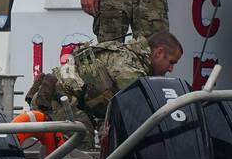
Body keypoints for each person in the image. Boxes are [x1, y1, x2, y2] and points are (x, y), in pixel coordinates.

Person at [26, 30, 183, 131]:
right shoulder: (129, 68)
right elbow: (139, 111)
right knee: (82, 139)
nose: (171, 69)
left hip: (63, 101)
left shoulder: (130, 59)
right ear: (158, 53)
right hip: (55, 101)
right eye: (171, 62)